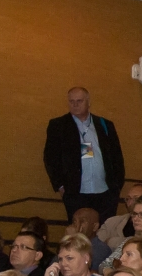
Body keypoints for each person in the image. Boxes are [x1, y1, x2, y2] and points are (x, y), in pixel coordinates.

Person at [43, 86, 124, 219]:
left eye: (79, 101)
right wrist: (60, 186)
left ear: (88, 102)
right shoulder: (58, 125)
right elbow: (50, 157)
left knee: (106, 228)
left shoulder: (105, 124)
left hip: (105, 191)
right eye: (71, 101)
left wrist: (116, 186)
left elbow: (117, 156)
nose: (75, 105)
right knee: (80, 229)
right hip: (75, 192)